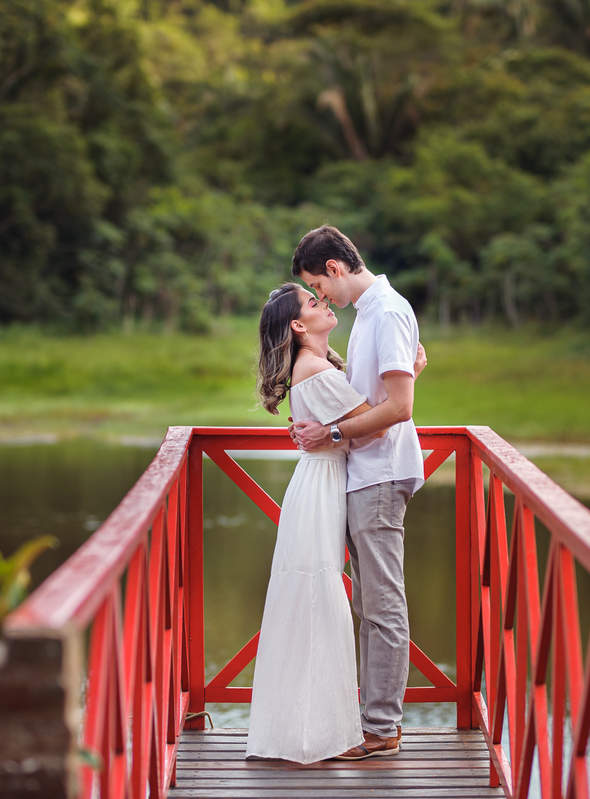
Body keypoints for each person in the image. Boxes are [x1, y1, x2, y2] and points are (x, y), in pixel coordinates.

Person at [245, 282, 426, 764]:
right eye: (313, 301)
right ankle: (333, 725)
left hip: (328, 484)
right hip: (325, 487)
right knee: (321, 599)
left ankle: (325, 722)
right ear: (299, 326)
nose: (324, 303)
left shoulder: (323, 366)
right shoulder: (315, 369)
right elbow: (382, 418)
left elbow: (363, 418)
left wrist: (407, 374)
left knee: (325, 599)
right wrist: (413, 374)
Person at [290, 225, 425, 761]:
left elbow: (400, 409)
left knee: (382, 604)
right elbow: (384, 395)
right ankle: (375, 723)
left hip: (380, 472)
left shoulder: (386, 312)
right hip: (364, 470)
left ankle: (383, 729)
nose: (322, 298)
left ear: (335, 269)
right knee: (369, 601)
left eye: (318, 287)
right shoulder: (371, 315)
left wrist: (332, 433)